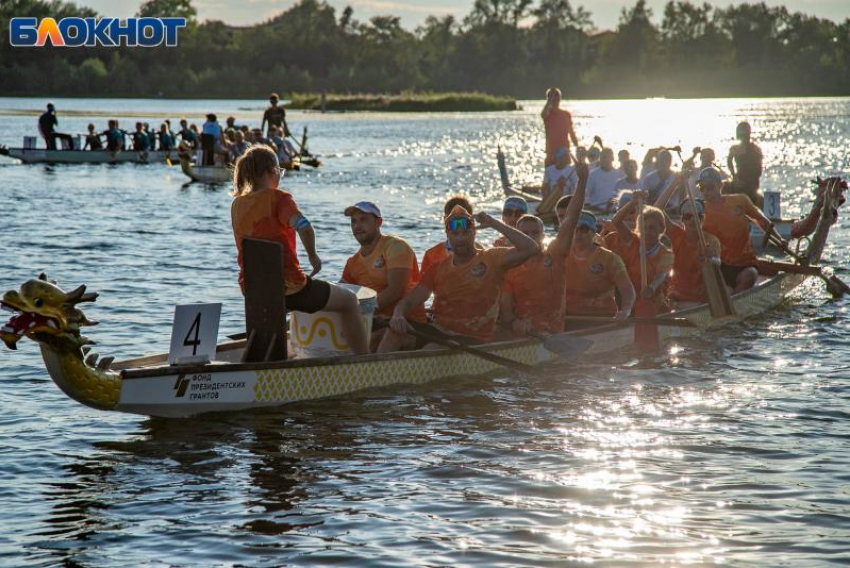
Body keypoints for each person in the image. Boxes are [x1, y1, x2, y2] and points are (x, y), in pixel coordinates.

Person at [230, 145, 368, 355]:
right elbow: (304, 226)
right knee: (349, 300)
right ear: (272, 171)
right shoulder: (279, 198)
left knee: (288, 306)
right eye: (280, 171)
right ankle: (364, 362)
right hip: (288, 286)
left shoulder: (237, 205)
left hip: (253, 288)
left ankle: (284, 354)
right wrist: (313, 257)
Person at [381, 206, 540, 350]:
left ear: (474, 233)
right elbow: (410, 301)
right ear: (448, 235)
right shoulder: (438, 268)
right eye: (455, 234)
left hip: (473, 338)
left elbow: (531, 248)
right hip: (439, 331)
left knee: (432, 348)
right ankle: (374, 375)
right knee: (393, 332)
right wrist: (398, 315)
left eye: (465, 233)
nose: (461, 238)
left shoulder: (493, 258)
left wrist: (493, 223)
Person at [500, 161, 589, 334]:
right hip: (523, 333)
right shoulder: (508, 264)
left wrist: (583, 181)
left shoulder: (555, 255)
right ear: (517, 237)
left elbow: (570, 220)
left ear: (543, 236)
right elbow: (506, 311)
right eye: (525, 234)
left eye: (535, 233)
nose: (530, 237)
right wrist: (512, 323)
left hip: (552, 331)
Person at [341, 201, 426, 351]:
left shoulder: (395, 246)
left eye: (363, 219)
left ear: (378, 222)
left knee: (376, 339)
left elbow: (395, 291)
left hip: (406, 322)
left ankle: (370, 372)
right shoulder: (352, 263)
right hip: (374, 321)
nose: (357, 226)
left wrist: (357, 312)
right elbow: (339, 293)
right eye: (353, 221)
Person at [698, 167, 783, 293]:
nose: (706, 192)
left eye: (710, 187)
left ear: (720, 185)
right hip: (718, 265)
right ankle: (729, 298)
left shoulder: (740, 200)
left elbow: (763, 221)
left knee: (751, 274)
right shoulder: (699, 209)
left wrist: (779, 239)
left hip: (744, 263)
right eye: (701, 188)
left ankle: (735, 302)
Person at [654, 181, 723, 305]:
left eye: (697, 216)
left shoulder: (711, 240)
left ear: (703, 219)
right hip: (675, 296)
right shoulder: (676, 234)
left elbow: (717, 261)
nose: (692, 220)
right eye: (687, 216)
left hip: (699, 299)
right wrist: (675, 181)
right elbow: (657, 209)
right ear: (682, 220)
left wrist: (711, 258)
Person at [564, 211, 635, 319]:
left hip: (602, 317)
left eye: (583, 229)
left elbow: (626, 288)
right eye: (574, 229)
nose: (578, 233)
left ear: (593, 232)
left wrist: (626, 310)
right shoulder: (561, 255)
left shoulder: (610, 258)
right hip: (567, 316)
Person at [611, 192, 674, 311]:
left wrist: (651, 287)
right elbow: (616, 222)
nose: (647, 232)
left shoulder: (666, 254)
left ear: (661, 229)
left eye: (652, 228)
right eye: (644, 228)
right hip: (629, 304)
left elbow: (661, 275)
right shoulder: (633, 241)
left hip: (654, 305)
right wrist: (633, 202)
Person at [420, 196, 480, 274]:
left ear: (472, 221)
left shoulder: (483, 254)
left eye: (463, 220)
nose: (459, 224)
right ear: (445, 220)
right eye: (453, 220)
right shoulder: (431, 255)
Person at [727, 121, 763, 206]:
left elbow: (729, 161)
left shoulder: (754, 149)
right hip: (745, 182)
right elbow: (729, 162)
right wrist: (735, 177)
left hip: (749, 184)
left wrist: (735, 178)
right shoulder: (756, 149)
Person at [541, 87, 578, 166]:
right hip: (551, 154)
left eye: (557, 100)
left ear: (560, 99)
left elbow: (571, 133)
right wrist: (550, 99)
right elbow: (543, 114)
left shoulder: (566, 114)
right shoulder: (548, 114)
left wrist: (577, 146)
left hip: (564, 153)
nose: (555, 102)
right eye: (553, 100)